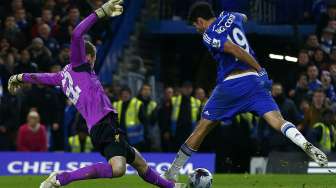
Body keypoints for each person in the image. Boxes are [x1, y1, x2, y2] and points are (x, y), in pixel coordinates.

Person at [8, 1, 183, 188]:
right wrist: (100, 13)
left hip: (100, 126)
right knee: (118, 169)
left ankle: (172, 187)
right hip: (104, 124)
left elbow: (41, 77)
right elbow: (76, 34)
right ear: (89, 57)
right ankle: (61, 178)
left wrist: (19, 77)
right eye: (94, 59)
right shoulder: (80, 66)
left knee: (139, 161)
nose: (94, 63)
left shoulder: (62, 77)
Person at [164, 2, 328, 181]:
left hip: (232, 84)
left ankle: (172, 172)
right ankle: (304, 143)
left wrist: (260, 68)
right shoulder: (230, 15)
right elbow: (244, 17)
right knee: (278, 121)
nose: (196, 29)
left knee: (202, 128)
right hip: (254, 83)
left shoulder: (208, 35)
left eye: (195, 25)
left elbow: (234, 49)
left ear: (201, 20)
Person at [112, 87, 147, 151]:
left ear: (130, 94)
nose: (125, 95)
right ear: (121, 95)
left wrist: (145, 134)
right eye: (123, 94)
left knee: (134, 154)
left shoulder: (137, 104)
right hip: (120, 134)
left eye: (127, 93)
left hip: (134, 135)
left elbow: (144, 120)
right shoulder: (116, 104)